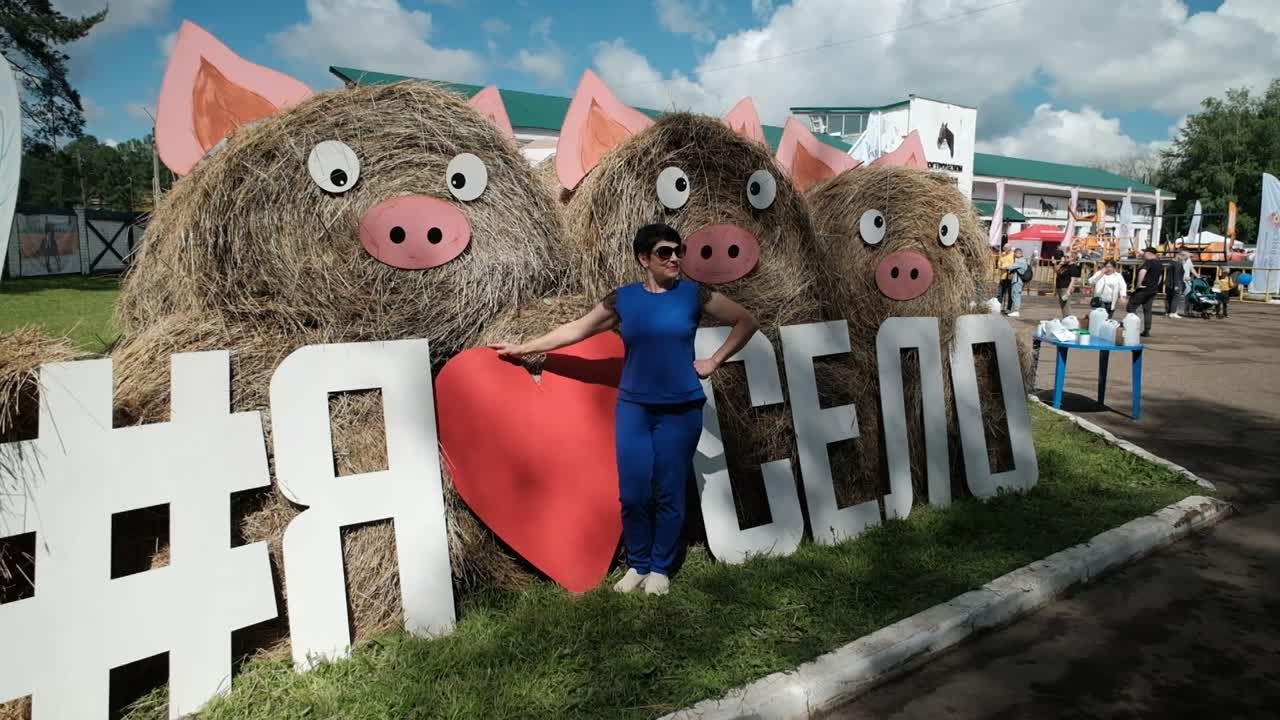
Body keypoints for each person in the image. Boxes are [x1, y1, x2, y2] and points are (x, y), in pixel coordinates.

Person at [490, 223, 756, 596]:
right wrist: (525, 347)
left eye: (678, 250)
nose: (675, 258)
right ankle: (638, 564)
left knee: (669, 490)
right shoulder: (623, 300)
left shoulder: (695, 295)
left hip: (681, 409)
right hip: (634, 408)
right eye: (665, 252)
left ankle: (661, 569)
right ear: (643, 258)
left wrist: (714, 360)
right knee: (633, 492)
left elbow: (746, 321)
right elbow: (576, 329)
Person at [1126, 248, 1164, 337]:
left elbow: (1143, 271)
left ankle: (1133, 327)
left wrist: (1139, 284)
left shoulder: (1149, 262)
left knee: (1131, 307)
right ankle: (1147, 330)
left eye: (1145, 252)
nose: (1144, 254)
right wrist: (1155, 286)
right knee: (1147, 310)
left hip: (1143, 289)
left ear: (1149, 253)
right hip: (1152, 290)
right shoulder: (1159, 264)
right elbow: (1160, 277)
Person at [1167, 250, 1199, 319]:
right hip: (1177, 283)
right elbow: (1177, 275)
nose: (1186, 260)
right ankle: (1173, 312)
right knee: (1176, 298)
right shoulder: (1178, 264)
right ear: (1181, 256)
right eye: (1185, 258)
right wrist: (1176, 285)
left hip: (1170, 283)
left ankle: (1170, 312)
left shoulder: (1172, 262)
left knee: (1171, 298)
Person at [1053, 250, 1083, 317]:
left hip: (1065, 288)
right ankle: (1066, 320)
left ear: (1072, 258)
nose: (1065, 258)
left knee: (1066, 307)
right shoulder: (1064, 265)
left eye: (1067, 257)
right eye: (1065, 256)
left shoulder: (1073, 267)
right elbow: (1056, 270)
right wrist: (1060, 263)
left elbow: (1073, 280)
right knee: (1063, 307)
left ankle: (1069, 320)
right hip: (1059, 287)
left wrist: (1068, 292)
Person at [1005, 247, 1029, 317]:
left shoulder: (1020, 261)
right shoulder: (1022, 260)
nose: (1014, 255)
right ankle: (1015, 310)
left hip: (1018, 281)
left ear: (1018, 253)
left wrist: (1004, 266)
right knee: (1014, 295)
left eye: (1014, 254)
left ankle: (1016, 311)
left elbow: (1011, 267)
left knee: (1016, 295)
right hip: (1018, 281)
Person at [996, 246, 1015, 311]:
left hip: (1010, 277)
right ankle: (998, 306)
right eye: (1004, 249)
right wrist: (1000, 266)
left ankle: (1008, 308)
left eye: (1005, 249)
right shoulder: (1002, 255)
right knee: (1000, 293)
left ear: (1009, 249)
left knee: (1010, 293)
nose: (1004, 250)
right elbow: (999, 263)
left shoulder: (1013, 255)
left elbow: (1015, 265)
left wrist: (1007, 267)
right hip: (1003, 276)